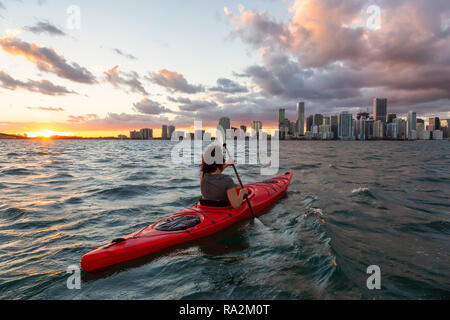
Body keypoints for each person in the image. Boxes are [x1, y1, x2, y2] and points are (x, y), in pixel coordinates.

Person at [200, 145, 249, 209]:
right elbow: (236, 205)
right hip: (222, 209)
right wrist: (242, 193)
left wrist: (227, 164)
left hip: (207, 207)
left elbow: (214, 171)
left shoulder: (203, 176)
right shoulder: (227, 180)